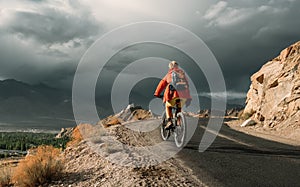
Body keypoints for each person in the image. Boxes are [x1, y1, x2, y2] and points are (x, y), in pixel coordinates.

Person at [154, 61, 192, 129]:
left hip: (173, 95)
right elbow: (187, 85)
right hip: (183, 96)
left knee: (168, 106)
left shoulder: (169, 74)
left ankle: (169, 122)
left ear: (170, 67)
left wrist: (157, 93)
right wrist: (188, 98)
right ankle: (178, 121)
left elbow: (161, 85)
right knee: (179, 107)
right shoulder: (182, 75)